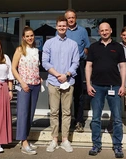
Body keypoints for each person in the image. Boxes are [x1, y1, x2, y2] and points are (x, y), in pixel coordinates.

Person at [85, 22, 126, 158]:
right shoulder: (93, 47)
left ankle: (118, 146)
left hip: (114, 86)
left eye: (106, 30)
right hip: (96, 86)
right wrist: (88, 84)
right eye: (101, 30)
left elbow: (123, 67)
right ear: (99, 32)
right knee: (96, 118)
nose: (104, 32)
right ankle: (96, 144)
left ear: (111, 30)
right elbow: (88, 66)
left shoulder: (118, 47)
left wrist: (123, 85)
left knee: (118, 119)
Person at [42, 16, 80, 153]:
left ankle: (65, 139)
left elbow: (76, 62)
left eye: (64, 26)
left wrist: (67, 74)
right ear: (56, 26)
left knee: (67, 112)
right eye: (60, 25)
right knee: (54, 112)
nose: (62, 27)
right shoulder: (49, 43)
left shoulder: (73, 44)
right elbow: (45, 62)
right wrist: (58, 74)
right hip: (53, 81)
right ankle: (54, 139)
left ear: (67, 27)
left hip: (68, 82)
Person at [12, 26, 41, 155]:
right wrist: (22, 83)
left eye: (31, 35)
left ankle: (26, 139)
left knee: (30, 114)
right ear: (23, 37)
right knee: (23, 113)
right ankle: (23, 142)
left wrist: (39, 78)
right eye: (27, 36)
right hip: (24, 85)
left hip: (35, 85)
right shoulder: (19, 50)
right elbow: (13, 68)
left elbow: (35, 67)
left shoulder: (36, 50)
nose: (30, 38)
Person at [65, 9, 90, 133]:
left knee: (78, 94)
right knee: (65, 94)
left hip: (79, 64)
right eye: (68, 18)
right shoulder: (62, 30)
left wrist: (82, 58)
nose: (70, 19)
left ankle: (78, 121)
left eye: (73, 17)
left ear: (76, 18)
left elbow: (87, 47)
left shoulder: (82, 31)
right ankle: (66, 121)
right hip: (65, 65)